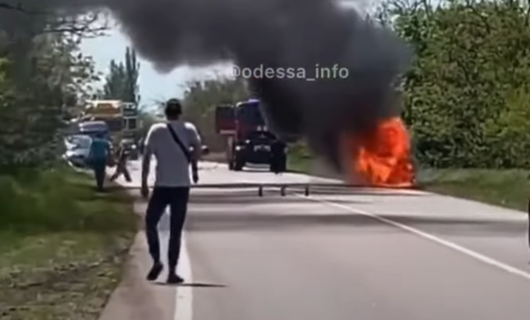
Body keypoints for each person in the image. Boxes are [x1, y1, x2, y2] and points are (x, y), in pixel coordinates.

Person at [141, 98, 201, 284]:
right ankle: (172, 272)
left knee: (150, 222)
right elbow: (197, 150)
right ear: (180, 112)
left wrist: (143, 182)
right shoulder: (189, 129)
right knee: (176, 230)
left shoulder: (156, 130)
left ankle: (157, 260)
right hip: (181, 186)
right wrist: (194, 169)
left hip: (162, 186)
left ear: (165, 113)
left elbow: (146, 157)